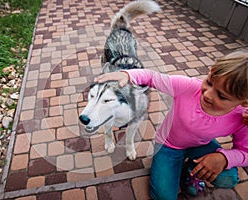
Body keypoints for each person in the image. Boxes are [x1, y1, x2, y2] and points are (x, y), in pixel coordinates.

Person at [94, 50, 248, 199]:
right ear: (211, 71)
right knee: (164, 196)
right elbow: (152, 77)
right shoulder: (188, 87)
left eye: (221, 96)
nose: (207, 94)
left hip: (200, 145)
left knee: (228, 178)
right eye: (209, 82)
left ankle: (191, 171)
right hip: (168, 145)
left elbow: (245, 152)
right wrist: (127, 74)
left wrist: (224, 158)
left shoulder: (243, 117)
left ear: (244, 101)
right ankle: (182, 166)